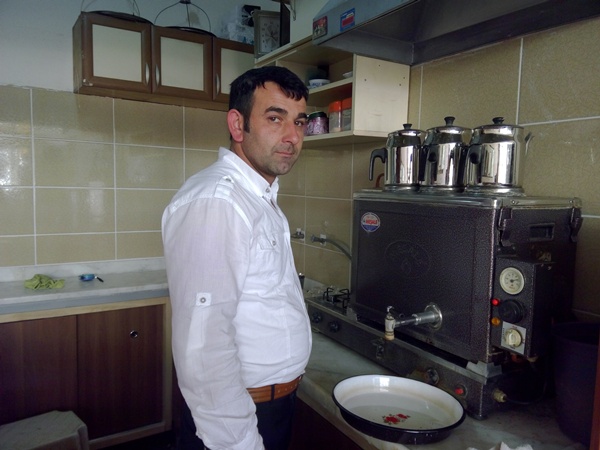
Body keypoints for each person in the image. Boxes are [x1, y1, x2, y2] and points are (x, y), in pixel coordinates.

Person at [161, 66, 311, 450]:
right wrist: (240, 442)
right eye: (275, 118)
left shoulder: (257, 198)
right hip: (238, 421)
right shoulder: (219, 201)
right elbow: (203, 347)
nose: (292, 136)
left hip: (269, 406)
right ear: (237, 125)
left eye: (299, 121)